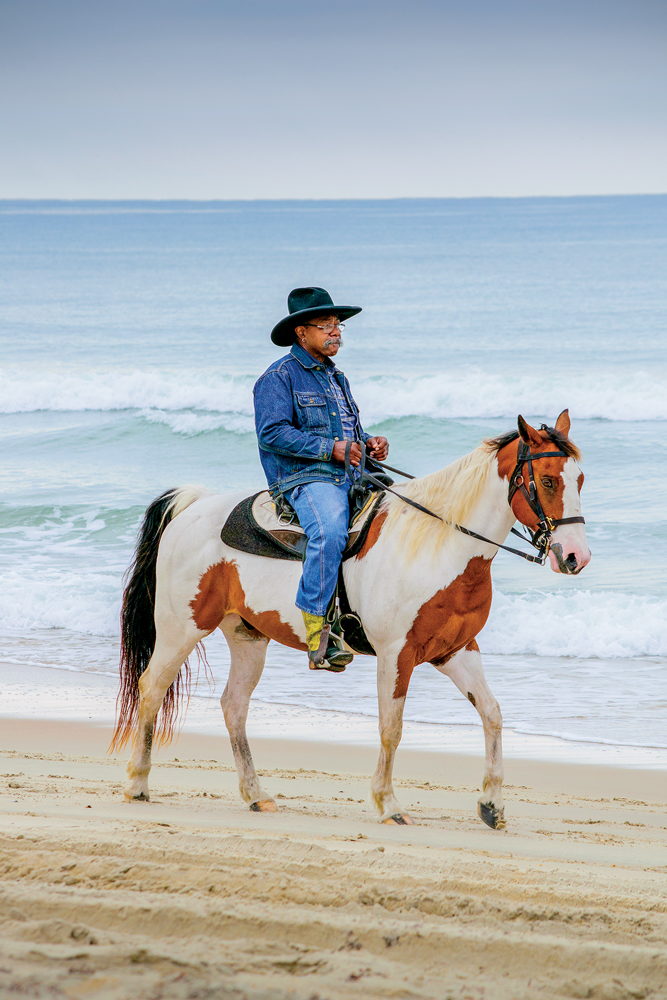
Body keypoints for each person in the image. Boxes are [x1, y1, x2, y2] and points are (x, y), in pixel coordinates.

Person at [253, 287, 389, 672]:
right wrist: (332, 449)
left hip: (353, 473)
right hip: (305, 478)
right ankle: (317, 632)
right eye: (326, 325)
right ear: (302, 332)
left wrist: (369, 443)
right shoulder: (278, 378)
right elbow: (272, 433)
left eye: (338, 325)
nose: (336, 332)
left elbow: (348, 433)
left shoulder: (337, 378)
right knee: (329, 532)